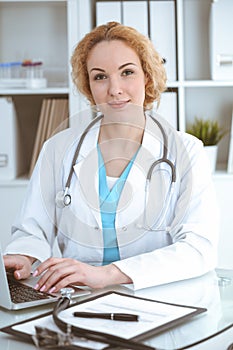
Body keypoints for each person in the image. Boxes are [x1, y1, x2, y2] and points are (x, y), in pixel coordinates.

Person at [4, 21, 219, 293]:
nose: (115, 89)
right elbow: (32, 230)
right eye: (100, 76)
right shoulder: (58, 149)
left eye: (127, 72)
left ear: (147, 77)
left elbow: (199, 248)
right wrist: (25, 256)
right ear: (88, 86)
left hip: (157, 298)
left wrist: (108, 274)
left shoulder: (186, 151)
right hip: (76, 299)